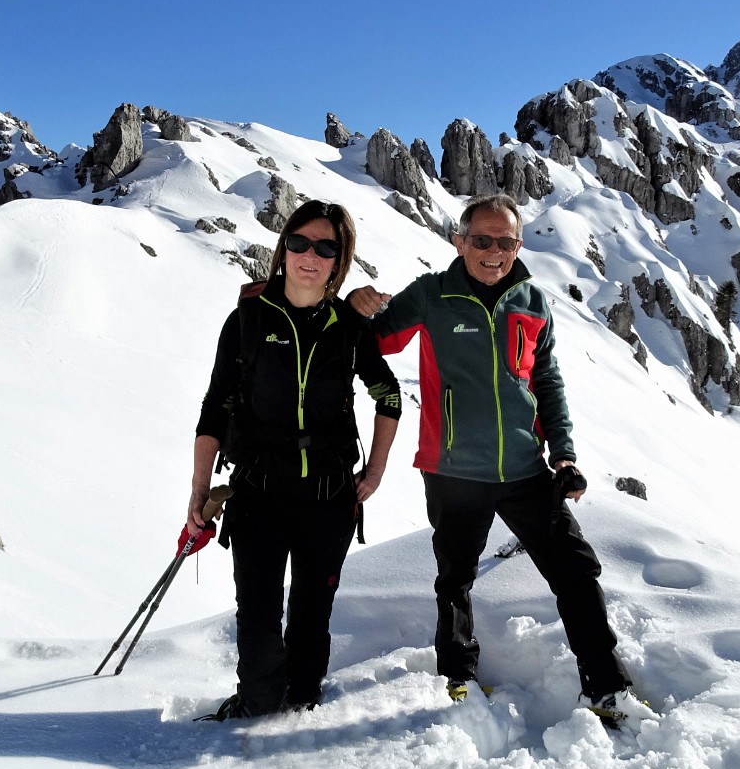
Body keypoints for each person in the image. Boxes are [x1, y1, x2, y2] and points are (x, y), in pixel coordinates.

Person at [349, 193, 634, 723]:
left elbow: (545, 381)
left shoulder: (531, 301)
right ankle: (458, 678)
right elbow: (372, 341)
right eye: (482, 240)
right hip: (454, 471)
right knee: (455, 578)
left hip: (527, 469)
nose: (493, 252)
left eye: (505, 242)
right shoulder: (433, 294)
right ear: (460, 242)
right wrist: (354, 307)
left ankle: (606, 684)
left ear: (518, 245)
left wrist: (564, 455)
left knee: (575, 570)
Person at [191, 200, 402, 720]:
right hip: (259, 495)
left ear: (339, 260)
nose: (310, 255)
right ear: (283, 247)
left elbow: (389, 395)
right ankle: (257, 706)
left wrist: (374, 474)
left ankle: (303, 705)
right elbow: (216, 406)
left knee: (312, 619)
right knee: (259, 620)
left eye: (326, 248)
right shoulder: (247, 320)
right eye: (300, 242)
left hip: (329, 500)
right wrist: (199, 488)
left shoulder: (348, 328)